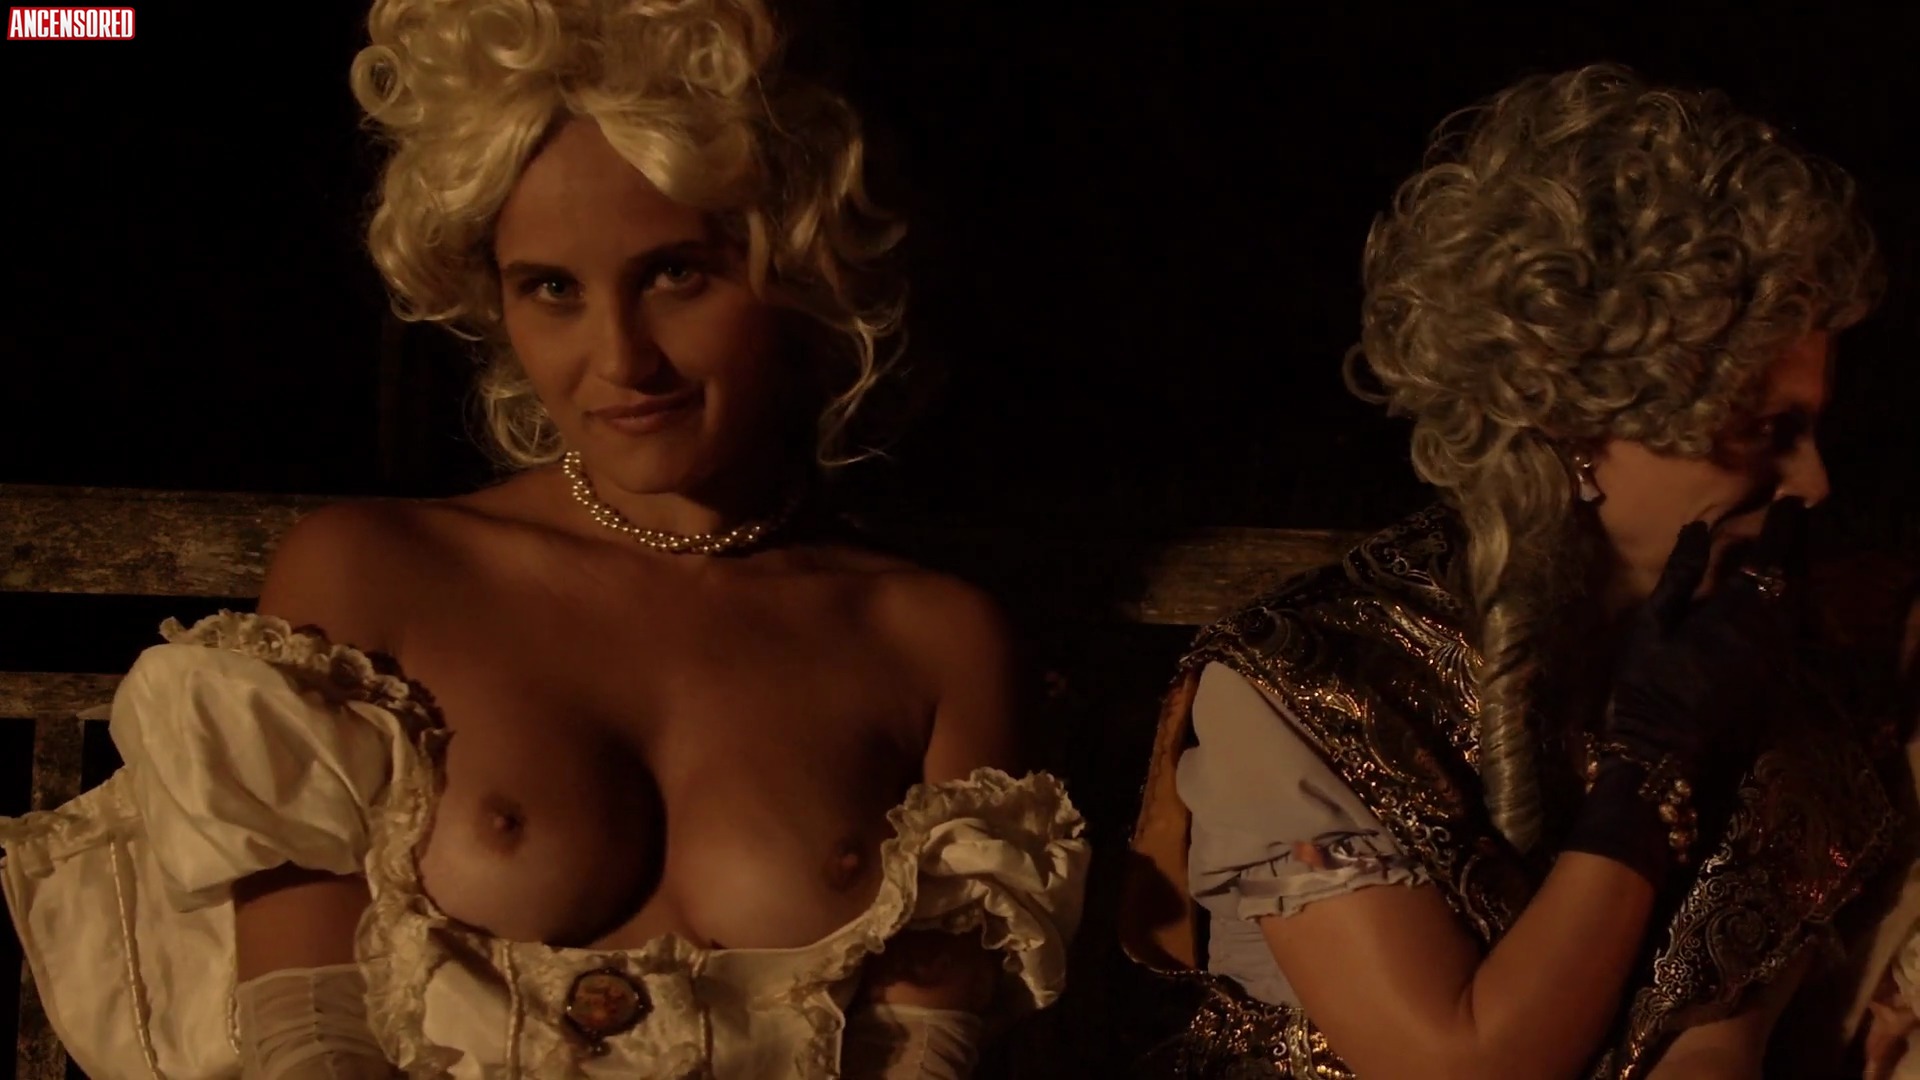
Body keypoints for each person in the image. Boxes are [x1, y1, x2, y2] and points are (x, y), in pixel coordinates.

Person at [0, 2, 1088, 1077]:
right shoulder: (374, 580)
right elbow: (311, 1043)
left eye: (676, 272)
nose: (621, 360)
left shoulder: (930, 640)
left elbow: (928, 1059)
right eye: (553, 289)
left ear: (800, 265)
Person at [1120, 63, 1916, 1079]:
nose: (1813, 482)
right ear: (1576, 423)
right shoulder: (1310, 685)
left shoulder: (1763, 671)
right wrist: (1645, 776)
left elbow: (1713, 1048)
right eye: (1767, 431)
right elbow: (1467, 1064)